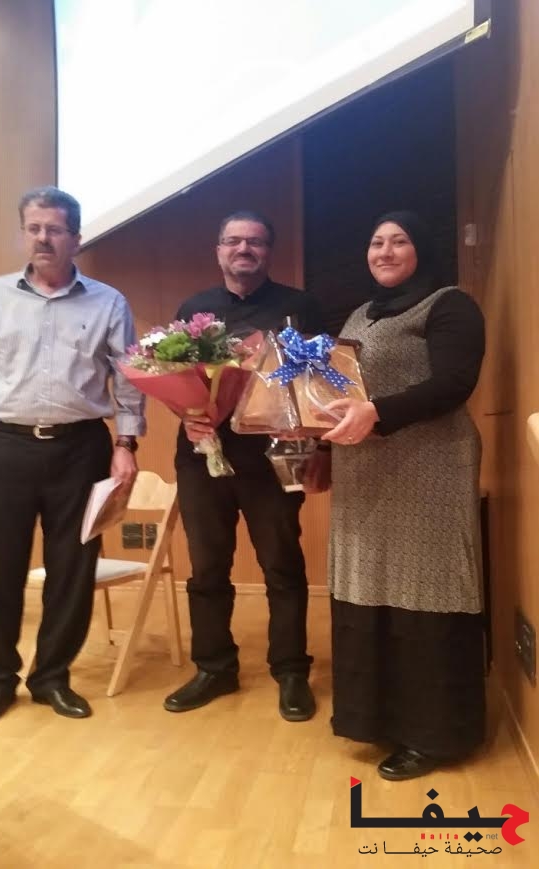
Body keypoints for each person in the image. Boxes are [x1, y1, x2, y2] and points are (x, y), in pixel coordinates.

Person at [304, 211, 486, 779]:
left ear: (421, 248)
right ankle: (377, 717)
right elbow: (342, 391)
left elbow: (454, 384)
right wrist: (322, 448)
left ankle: (434, 736)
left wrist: (377, 413)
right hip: (365, 471)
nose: (384, 251)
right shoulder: (360, 314)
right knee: (369, 584)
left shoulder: (449, 305)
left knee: (427, 587)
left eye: (399, 241)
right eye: (376, 241)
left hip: (431, 469)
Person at [0, 186, 145, 723]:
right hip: (2, 445)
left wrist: (125, 444)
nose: (43, 239)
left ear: (76, 238)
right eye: (34, 228)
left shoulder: (108, 302)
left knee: (73, 568)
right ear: (23, 233)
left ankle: (51, 677)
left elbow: (129, 379)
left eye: (54, 230)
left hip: (79, 449)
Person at [164, 210, 323, 721]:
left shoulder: (300, 307)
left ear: (268, 252)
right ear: (219, 251)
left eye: (254, 242)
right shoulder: (194, 308)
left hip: (272, 458)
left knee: (282, 564)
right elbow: (173, 376)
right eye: (233, 241)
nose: (243, 249)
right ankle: (214, 667)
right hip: (202, 457)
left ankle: (291, 671)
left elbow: (319, 381)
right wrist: (189, 416)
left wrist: (314, 439)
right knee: (207, 567)